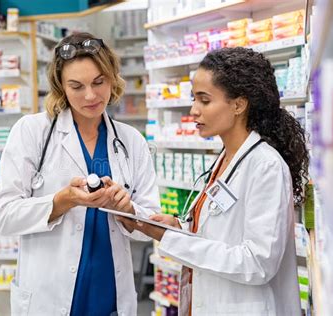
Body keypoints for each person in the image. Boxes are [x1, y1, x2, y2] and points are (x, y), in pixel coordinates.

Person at [122, 47, 309, 315]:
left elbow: (258, 263)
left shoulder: (265, 166)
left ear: (238, 105)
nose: (193, 110)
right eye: (193, 99)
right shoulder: (226, 157)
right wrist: (179, 226)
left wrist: (171, 239)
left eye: (204, 100)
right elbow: (221, 228)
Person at [0, 32, 160, 316]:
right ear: (61, 87)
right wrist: (62, 201)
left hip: (110, 298)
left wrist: (127, 210)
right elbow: (3, 217)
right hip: (49, 296)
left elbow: (151, 225)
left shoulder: (131, 141)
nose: (91, 95)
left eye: (99, 82)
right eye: (76, 86)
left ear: (112, 77)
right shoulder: (33, 132)